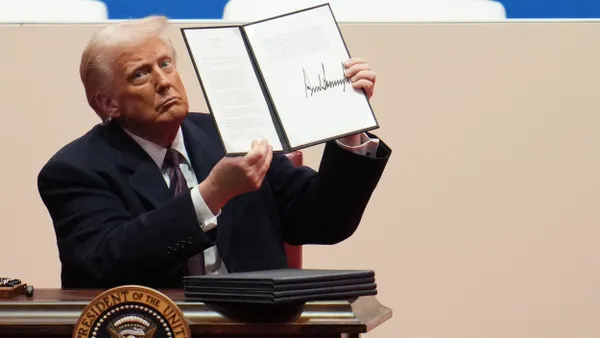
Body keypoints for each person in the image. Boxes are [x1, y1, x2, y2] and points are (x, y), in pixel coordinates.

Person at [37, 16, 392, 289]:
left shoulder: (227, 134)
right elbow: (107, 261)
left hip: (257, 328)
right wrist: (210, 196)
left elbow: (325, 219)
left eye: (165, 64)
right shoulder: (75, 170)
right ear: (108, 103)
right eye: (140, 74)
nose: (163, 81)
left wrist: (350, 127)